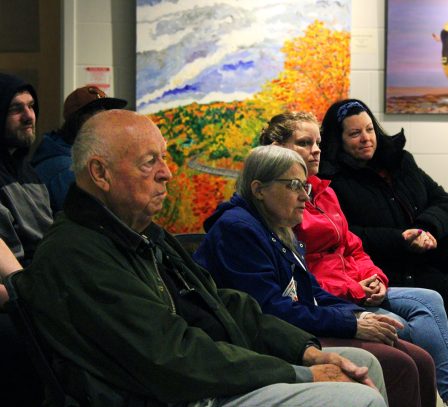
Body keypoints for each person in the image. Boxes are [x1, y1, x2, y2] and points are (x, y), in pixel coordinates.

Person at [12, 110, 387, 407]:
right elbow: (171, 356)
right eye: (149, 163)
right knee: (357, 397)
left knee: (363, 364)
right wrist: (299, 373)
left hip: (203, 376)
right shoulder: (77, 253)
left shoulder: (141, 233)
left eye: (164, 159)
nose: (167, 173)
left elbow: (222, 302)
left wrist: (302, 350)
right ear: (100, 173)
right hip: (174, 395)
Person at [259, 111, 448, 407]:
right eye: (304, 142)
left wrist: (374, 277)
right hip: (333, 296)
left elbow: (353, 246)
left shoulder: (324, 192)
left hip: (355, 283)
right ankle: (444, 398)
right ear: (277, 147)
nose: (315, 150)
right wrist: (355, 290)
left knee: (430, 299)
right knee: (402, 324)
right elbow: (305, 271)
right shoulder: (281, 200)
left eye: (317, 143)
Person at [194, 145, 437, 407]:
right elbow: (269, 311)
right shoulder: (238, 229)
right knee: (399, 364)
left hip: (294, 327)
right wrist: (351, 324)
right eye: (294, 185)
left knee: (422, 360)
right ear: (259, 189)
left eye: (305, 187)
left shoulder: (278, 226)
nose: (304, 197)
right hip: (263, 342)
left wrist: (357, 314)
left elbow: (311, 291)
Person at [319, 99, 448, 406]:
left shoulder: (401, 161)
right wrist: (400, 239)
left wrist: (428, 228)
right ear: (339, 140)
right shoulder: (334, 181)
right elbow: (348, 234)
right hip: (384, 263)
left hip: (424, 248)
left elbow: (443, 200)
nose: (366, 138)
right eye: (354, 134)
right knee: (444, 294)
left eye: (369, 129)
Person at [0, 72, 51, 406]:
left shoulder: (28, 170)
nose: (29, 116)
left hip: (42, 281)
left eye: (31, 106)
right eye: (16, 108)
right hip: (20, 291)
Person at [31, 85, 127, 213]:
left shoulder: (71, 154)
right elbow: (92, 221)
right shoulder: (65, 169)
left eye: (107, 116)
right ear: (76, 121)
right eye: (96, 117)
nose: (106, 125)